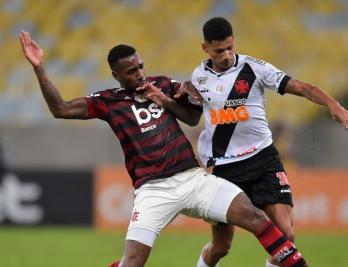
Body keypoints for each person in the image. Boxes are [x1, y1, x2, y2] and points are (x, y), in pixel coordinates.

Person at [20, 31, 308, 267]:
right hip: (153, 191)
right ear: (116, 75)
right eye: (131, 71)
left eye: (141, 66)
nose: (140, 74)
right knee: (132, 262)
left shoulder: (161, 84)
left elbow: (192, 114)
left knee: (257, 218)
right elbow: (60, 109)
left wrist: (183, 94)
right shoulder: (107, 101)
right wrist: (39, 68)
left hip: (193, 179)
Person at [183, 17, 348, 267]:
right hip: (224, 169)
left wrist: (332, 103)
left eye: (230, 47)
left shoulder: (255, 69)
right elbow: (191, 114)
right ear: (205, 48)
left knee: (286, 236)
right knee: (221, 247)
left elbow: (302, 87)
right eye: (219, 51)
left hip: (263, 160)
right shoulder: (199, 77)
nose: (227, 55)